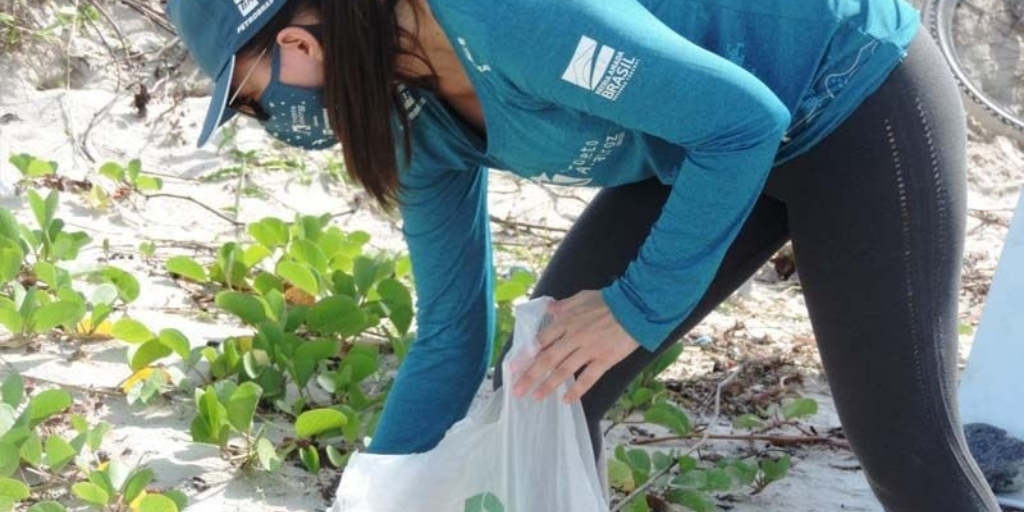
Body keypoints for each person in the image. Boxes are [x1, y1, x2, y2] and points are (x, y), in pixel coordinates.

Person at [166, 0, 1002, 509]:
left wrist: (636, 308)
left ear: (300, 45)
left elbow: (744, 122)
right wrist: (381, 491)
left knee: (910, 458)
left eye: (249, 98)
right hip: (697, 149)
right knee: (544, 392)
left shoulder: (503, 16)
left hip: (849, 98)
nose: (270, 122)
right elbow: (453, 334)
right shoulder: (409, 121)